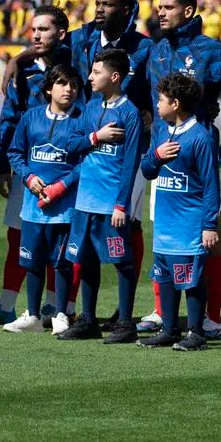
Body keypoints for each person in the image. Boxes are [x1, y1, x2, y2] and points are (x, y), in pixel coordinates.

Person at [138, 0, 221, 339]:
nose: (161, 13)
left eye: (168, 7)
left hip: (197, 156)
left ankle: (211, 317)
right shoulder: (157, 50)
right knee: (163, 236)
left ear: (189, 10)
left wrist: (216, 127)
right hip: (163, 155)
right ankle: (163, 312)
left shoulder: (211, 50)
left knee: (211, 238)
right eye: (158, 7)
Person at [0, 5, 72, 326]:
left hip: (64, 168)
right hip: (28, 166)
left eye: (43, 29)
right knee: (18, 235)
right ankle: (7, 304)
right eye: (33, 30)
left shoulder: (76, 64)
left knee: (60, 238)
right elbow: (11, 117)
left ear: (61, 32)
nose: (36, 35)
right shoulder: (24, 70)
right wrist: (2, 162)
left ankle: (56, 307)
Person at [59, 49, 144, 343]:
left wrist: (122, 204)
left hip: (111, 204)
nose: (90, 77)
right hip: (85, 201)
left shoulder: (129, 113)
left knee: (122, 261)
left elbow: (131, 163)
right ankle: (89, 320)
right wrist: (96, 138)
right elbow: (70, 144)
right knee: (86, 259)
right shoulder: (91, 109)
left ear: (115, 77)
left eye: (97, 72)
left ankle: (125, 323)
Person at [138, 73, 221, 351]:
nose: (157, 104)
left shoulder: (201, 137)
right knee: (164, 276)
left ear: (175, 103)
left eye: (161, 100)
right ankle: (170, 330)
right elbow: (148, 170)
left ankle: (196, 333)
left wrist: (210, 225)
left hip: (189, 223)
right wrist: (157, 155)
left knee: (192, 279)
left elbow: (211, 185)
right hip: (164, 222)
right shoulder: (162, 132)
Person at [2, 64, 84, 334]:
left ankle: (60, 313)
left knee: (61, 262)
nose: (69, 89)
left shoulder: (81, 120)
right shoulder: (30, 117)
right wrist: (27, 177)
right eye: (62, 83)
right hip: (32, 207)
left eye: (73, 85)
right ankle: (33, 315)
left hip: (65, 208)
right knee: (32, 261)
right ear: (49, 88)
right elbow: (15, 152)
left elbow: (86, 161)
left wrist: (63, 185)